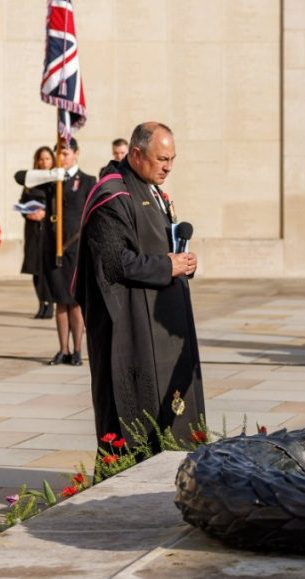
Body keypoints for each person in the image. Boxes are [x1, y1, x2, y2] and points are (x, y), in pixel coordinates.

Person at [77, 122, 204, 448]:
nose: (168, 167)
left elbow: (156, 246)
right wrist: (166, 265)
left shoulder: (152, 190)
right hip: (129, 328)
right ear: (136, 153)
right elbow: (114, 262)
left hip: (159, 325)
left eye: (172, 159)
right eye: (162, 159)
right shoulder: (111, 195)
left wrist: (182, 261)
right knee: (134, 418)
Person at [15, 140, 97, 365]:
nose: (62, 156)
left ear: (76, 153)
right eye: (58, 153)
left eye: (66, 152)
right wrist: (51, 175)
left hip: (77, 248)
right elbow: (20, 177)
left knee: (75, 302)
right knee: (60, 301)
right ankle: (63, 349)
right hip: (54, 248)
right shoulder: (52, 180)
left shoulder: (88, 181)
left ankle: (78, 350)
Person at [17, 146, 58, 320]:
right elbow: (21, 202)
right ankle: (41, 303)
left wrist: (45, 213)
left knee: (47, 269)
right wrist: (27, 212)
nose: (43, 162)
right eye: (40, 159)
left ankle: (50, 303)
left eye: (47, 159)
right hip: (33, 229)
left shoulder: (55, 180)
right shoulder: (30, 181)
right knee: (35, 269)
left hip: (49, 229)